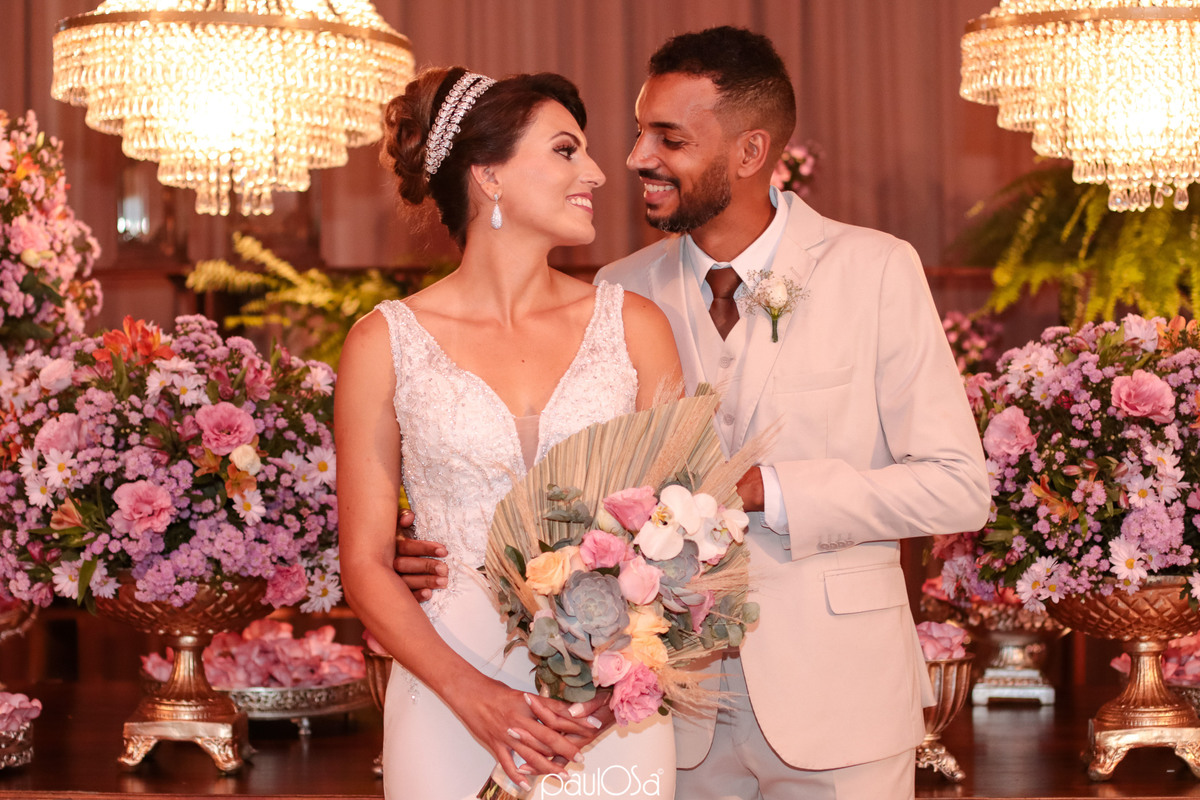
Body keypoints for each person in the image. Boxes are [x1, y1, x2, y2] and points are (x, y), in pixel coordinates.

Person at [396, 26, 991, 800]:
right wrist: (441, 545)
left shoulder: (874, 269)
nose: (636, 157)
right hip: (661, 716)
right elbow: (562, 478)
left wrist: (768, 490)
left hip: (837, 700)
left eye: (669, 139)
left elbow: (957, 487)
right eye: (640, 130)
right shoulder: (617, 291)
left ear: (750, 152)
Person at [337, 67, 682, 800]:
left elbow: (686, 528)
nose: (596, 172)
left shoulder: (635, 328)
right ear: (488, 174)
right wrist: (475, 698)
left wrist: (608, 696)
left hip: (611, 699)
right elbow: (364, 564)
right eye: (565, 150)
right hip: (447, 681)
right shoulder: (383, 342)